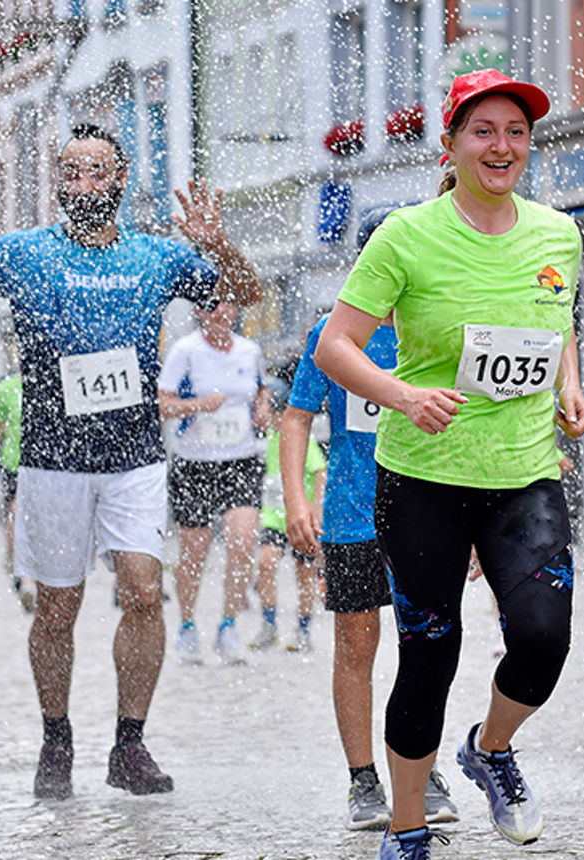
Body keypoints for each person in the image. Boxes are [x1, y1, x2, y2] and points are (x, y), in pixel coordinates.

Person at [315, 69, 584, 858]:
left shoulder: (558, 235)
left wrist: (570, 385)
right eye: (484, 131)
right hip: (423, 481)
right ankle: (407, 828)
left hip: (525, 474)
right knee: (430, 654)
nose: (502, 147)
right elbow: (335, 347)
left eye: (516, 132)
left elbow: (555, 323)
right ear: (451, 143)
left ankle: (491, 749)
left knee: (543, 637)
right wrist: (403, 396)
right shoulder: (405, 236)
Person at [0, 124, 262, 800]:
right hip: (52, 460)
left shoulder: (157, 256)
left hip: (135, 457)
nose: (83, 183)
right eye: (71, 172)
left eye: (96, 170)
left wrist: (216, 244)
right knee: (57, 609)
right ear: (59, 183)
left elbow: (247, 291)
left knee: (145, 592)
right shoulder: (28, 253)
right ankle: (56, 738)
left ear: (120, 179)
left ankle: (130, 744)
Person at [286, 214, 457, 831]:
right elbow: (297, 417)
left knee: (427, 646)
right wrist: (296, 499)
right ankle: (362, 779)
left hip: (428, 508)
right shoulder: (331, 335)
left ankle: (421, 770)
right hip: (353, 514)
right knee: (357, 646)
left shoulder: (435, 331)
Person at [158, 300, 269, 665]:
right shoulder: (185, 351)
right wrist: (199, 405)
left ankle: (229, 626)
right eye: (213, 308)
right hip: (194, 462)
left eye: (228, 307)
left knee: (242, 542)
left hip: (241, 459)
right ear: (201, 313)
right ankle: (187, 626)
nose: (222, 314)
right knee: (195, 551)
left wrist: (262, 408)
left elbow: (262, 390)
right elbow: (163, 404)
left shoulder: (249, 350)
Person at [252, 377, 325, 653]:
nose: (258, 412)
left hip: (302, 517)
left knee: (304, 572)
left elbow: (320, 473)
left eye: (263, 406)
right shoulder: (270, 436)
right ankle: (269, 625)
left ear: (277, 408)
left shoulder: (297, 438)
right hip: (273, 516)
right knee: (266, 562)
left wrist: (316, 511)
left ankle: (303, 629)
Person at [0, 368, 33, 612]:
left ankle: (27, 570)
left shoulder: (49, 381)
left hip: (43, 464)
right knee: (16, 512)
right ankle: (22, 571)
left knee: (36, 518)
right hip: (14, 462)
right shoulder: (5, 388)